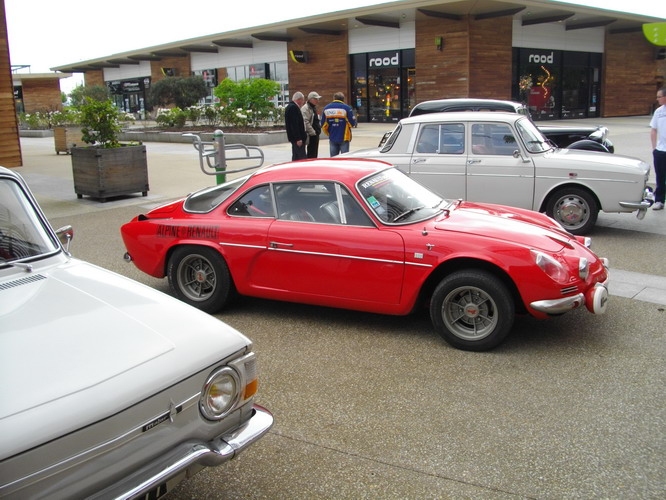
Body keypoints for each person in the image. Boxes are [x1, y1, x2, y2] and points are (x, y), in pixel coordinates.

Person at [321, 92, 357, 156]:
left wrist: (329, 133)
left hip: (332, 136)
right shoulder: (347, 108)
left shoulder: (326, 108)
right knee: (344, 158)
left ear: (334, 98)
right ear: (343, 99)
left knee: (334, 158)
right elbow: (352, 123)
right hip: (344, 137)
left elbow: (323, 125)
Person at [650, 87, 666, 210]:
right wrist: (654, 147)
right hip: (661, 150)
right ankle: (659, 200)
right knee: (660, 176)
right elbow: (653, 129)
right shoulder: (658, 112)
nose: (657, 99)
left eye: (659, 96)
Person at [285, 92, 307, 161]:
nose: (303, 102)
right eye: (302, 100)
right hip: (297, 139)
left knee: (296, 156)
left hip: (295, 138)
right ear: (299, 99)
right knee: (301, 157)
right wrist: (298, 138)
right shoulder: (293, 108)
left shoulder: (290, 106)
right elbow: (294, 124)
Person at [301, 91, 322, 158]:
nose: (317, 101)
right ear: (310, 99)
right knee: (311, 153)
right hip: (311, 135)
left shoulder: (313, 108)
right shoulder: (306, 108)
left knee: (314, 153)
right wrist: (312, 132)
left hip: (315, 134)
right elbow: (305, 121)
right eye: (315, 99)